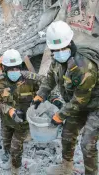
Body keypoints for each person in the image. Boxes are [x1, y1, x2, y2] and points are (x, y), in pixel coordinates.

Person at [32, 21, 99, 175]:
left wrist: (59, 115)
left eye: (62, 48)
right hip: (77, 105)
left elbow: (80, 99)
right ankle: (66, 168)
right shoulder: (58, 58)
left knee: (88, 143)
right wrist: (40, 95)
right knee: (67, 135)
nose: (59, 52)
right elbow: (50, 77)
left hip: (95, 106)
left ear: (70, 43)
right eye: (55, 50)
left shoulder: (84, 66)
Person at [0, 49, 63, 174]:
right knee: (7, 144)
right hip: (7, 121)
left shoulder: (31, 79)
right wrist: (9, 110)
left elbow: (46, 89)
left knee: (15, 148)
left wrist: (55, 99)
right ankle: (10, 160)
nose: (14, 72)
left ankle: (15, 169)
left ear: (20, 67)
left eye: (16, 68)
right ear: (5, 69)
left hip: (23, 123)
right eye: (11, 69)